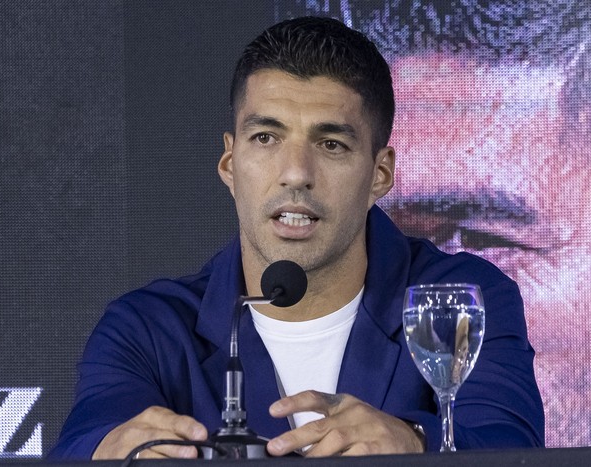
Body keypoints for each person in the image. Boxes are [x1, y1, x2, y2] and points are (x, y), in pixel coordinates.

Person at [50, 16, 544, 460]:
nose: (295, 174)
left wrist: (414, 441)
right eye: (266, 138)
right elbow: (86, 437)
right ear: (230, 163)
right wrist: (106, 451)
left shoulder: (457, 298)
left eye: (331, 144)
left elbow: (511, 443)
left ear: (380, 173)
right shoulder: (148, 327)